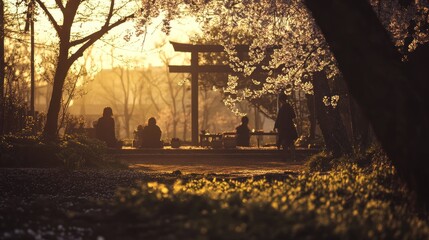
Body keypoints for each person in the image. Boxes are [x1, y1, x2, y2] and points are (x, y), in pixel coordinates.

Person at [274, 93, 298, 160]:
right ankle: (293, 156)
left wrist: (276, 126)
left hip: (284, 128)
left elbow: (279, 118)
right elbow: (293, 116)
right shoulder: (289, 107)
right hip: (289, 127)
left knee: (284, 142)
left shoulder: (282, 108)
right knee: (291, 142)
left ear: (281, 100)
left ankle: (286, 156)